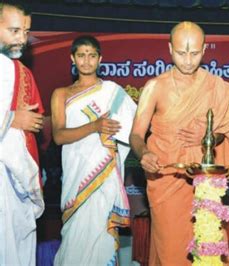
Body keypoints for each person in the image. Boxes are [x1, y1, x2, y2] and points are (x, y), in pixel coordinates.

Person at [130, 21, 229, 265]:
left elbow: (228, 130)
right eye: (182, 53)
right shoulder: (155, 87)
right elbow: (136, 135)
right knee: (172, 250)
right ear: (170, 49)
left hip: (203, 180)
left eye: (194, 53)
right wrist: (143, 154)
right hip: (166, 177)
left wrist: (210, 138)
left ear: (204, 51)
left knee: (208, 242)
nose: (188, 60)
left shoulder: (215, 87)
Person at [51, 35, 137, 265]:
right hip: (77, 176)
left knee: (101, 238)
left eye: (91, 56)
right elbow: (59, 136)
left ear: (100, 59)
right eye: (81, 55)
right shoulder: (61, 94)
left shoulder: (112, 93)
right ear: (72, 58)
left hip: (105, 177)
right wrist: (95, 126)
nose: (86, 61)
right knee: (75, 238)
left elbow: (135, 128)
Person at [0, 2, 45, 265]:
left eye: (26, 32)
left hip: (16, 175)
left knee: (18, 243)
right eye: (14, 31)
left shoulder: (20, 71)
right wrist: (14, 118)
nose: (22, 40)